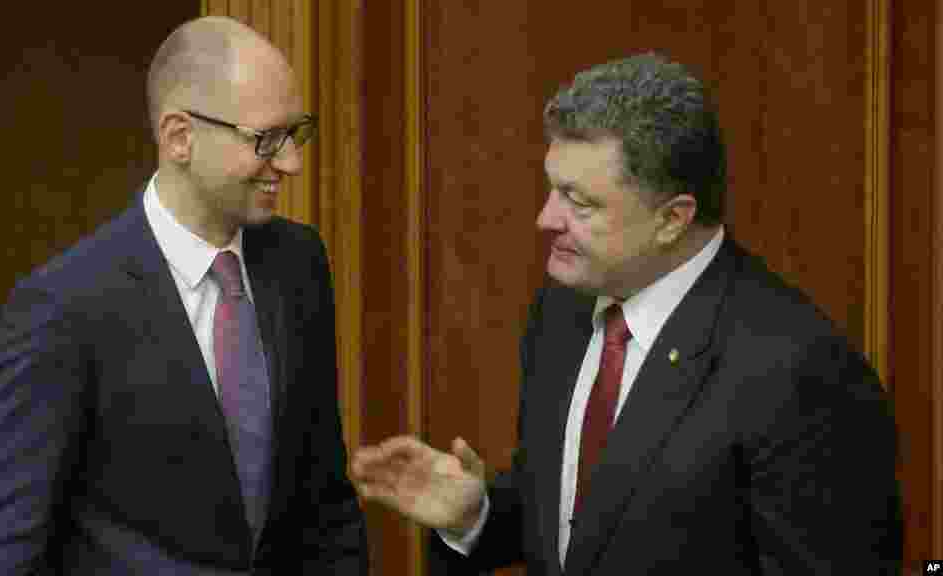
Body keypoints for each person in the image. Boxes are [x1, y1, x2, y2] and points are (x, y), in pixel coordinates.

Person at [351, 53, 900, 574]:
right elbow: (590, 525)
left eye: (579, 202)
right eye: (552, 190)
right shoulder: (563, 311)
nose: (546, 218)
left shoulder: (799, 372)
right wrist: (476, 518)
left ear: (672, 219)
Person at [0, 16, 367, 575]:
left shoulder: (299, 264)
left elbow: (324, 506)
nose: (291, 162)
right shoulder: (64, 307)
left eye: (294, 134)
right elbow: (7, 549)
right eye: (265, 140)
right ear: (180, 137)